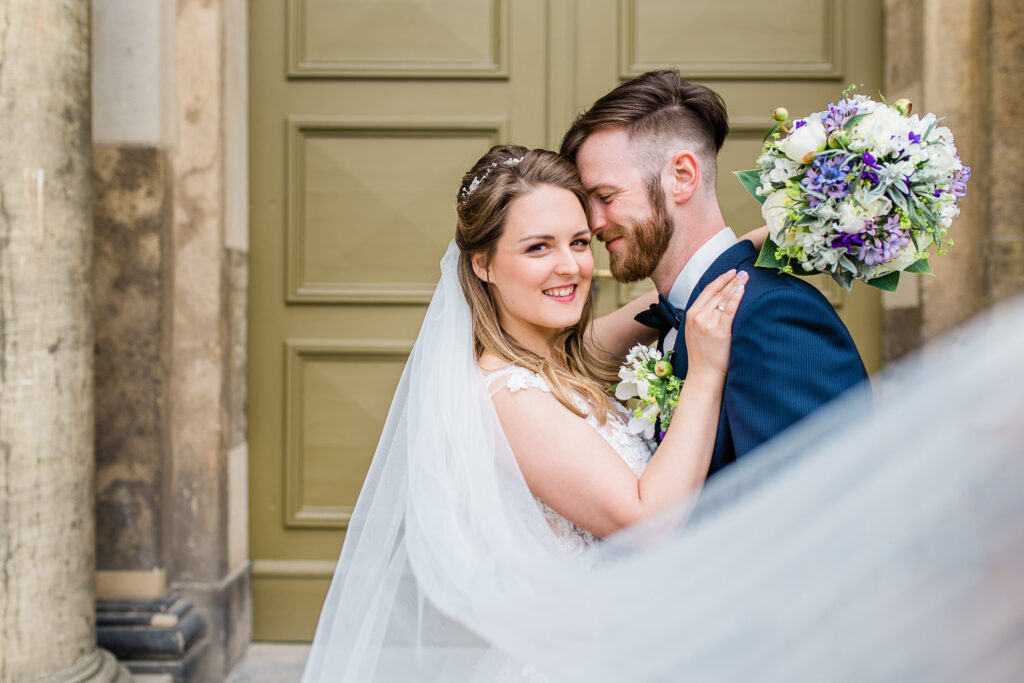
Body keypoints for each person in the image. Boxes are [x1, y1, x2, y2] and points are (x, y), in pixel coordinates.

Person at [301, 145, 758, 682]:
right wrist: (705, 371)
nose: (570, 267)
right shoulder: (510, 395)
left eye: (580, 242)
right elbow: (647, 522)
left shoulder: (551, 358)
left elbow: (670, 299)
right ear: (483, 264)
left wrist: (783, 231)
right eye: (538, 247)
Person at [561, 70, 869, 476]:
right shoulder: (680, 311)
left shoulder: (773, 313)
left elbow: (809, 510)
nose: (593, 223)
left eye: (605, 197)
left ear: (682, 176)